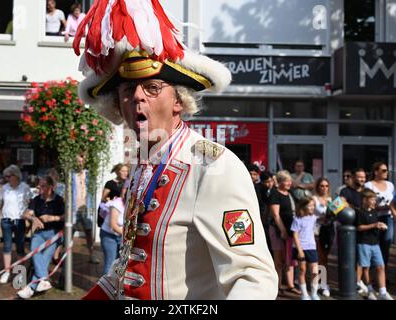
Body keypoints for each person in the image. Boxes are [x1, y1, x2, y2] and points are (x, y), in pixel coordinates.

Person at [75, 0, 278, 300]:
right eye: (128, 91)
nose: (138, 97)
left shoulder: (213, 168)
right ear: (118, 105)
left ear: (179, 102)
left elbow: (253, 278)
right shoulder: (140, 169)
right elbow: (126, 268)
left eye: (153, 87)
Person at [17, 176, 65, 299]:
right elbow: (25, 214)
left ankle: (30, 288)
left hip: (54, 233)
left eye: (43, 186)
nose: (40, 188)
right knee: (34, 252)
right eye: (39, 186)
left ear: (50, 187)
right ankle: (44, 280)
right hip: (39, 233)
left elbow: (66, 217)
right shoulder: (36, 200)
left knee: (44, 258)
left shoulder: (59, 200)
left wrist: (51, 218)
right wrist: (34, 219)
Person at [356, 189, 393, 300]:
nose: (374, 201)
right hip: (364, 244)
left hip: (375, 244)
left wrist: (380, 225)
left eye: (374, 199)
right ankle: (370, 291)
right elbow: (359, 227)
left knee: (380, 266)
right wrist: (374, 225)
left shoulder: (375, 211)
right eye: (372, 199)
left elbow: (375, 225)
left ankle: (382, 292)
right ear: (364, 200)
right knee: (366, 268)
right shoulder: (360, 212)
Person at [0, 165, 31, 284]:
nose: (7, 178)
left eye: (9, 176)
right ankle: (6, 272)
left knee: (20, 248)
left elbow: (29, 205)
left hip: (19, 221)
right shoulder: (5, 188)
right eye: (6, 176)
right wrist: (1, 216)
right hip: (6, 220)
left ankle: (20, 274)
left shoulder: (25, 187)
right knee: (7, 247)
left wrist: (28, 222)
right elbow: (2, 203)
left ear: (16, 176)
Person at [268, 170, 299, 296]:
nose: (289, 183)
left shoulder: (290, 193)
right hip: (278, 230)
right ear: (280, 182)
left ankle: (290, 285)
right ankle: (278, 286)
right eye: (287, 181)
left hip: (290, 230)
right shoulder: (275, 194)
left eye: (290, 181)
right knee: (279, 260)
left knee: (289, 259)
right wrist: (283, 231)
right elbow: (276, 215)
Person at [364, 162, 395, 269]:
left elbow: (393, 202)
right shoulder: (368, 185)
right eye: (384, 170)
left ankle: (383, 271)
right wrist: (381, 207)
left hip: (388, 217)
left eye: (387, 170)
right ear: (376, 172)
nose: (386, 173)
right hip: (374, 217)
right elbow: (366, 202)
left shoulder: (390, 185)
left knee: (386, 243)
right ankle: (372, 273)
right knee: (374, 244)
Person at [291, 196, 320, 300]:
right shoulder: (297, 219)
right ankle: (304, 294)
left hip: (311, 247)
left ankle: (314, 294)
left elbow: (322, 220)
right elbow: (295, 235)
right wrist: (300, 251)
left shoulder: (313, 217)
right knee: (302, 270)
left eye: (313, 205)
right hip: (300, 248)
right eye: (310, 205)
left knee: (315, 271)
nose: (312, 207)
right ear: (303, 206)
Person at [312, 177, 334, 297]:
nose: (324, 188)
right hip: (317, 231)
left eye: (326, 186)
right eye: (322, 186)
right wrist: (319, 218)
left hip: (329, 230)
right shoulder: (314, 199)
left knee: (325, 258)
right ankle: (323, 283)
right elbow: (308, 214)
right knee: (321, 258)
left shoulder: (332, 199)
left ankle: (322, 282)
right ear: (317, 187)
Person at [100, 190, 124, 275]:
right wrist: (129, 234)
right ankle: (105, 287)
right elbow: (113, 226)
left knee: (118, 263)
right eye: (125, 188)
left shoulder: (131, 204)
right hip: (109, 235)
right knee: (110, 263)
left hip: (120, 236)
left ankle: (114, 286)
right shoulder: (117, 203)